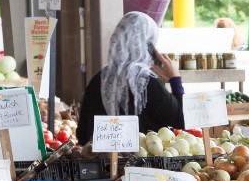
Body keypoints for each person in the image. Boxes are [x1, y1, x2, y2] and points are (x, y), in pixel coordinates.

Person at [76, 12, 184, 145]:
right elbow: (180, 120)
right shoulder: (145, 81)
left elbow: (81, 134)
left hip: (100, 163)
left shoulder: (98, 80)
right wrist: (175, 79)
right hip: (140, 164)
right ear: (148, 44)